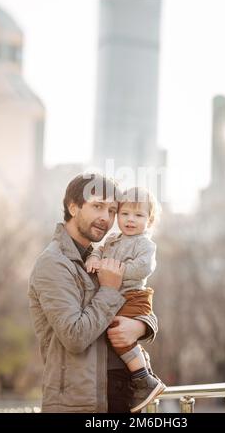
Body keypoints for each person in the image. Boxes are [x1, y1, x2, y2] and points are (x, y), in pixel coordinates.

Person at [28, 173, 158, 413]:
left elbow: (133, 297)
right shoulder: (54, 263)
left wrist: (142, 326)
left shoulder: (104, 254)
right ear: (73, 207)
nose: (105, 218)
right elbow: (74, 336)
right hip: (82, 403)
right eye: (98, 206)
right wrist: (108, 289)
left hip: (124, 396)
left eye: (111, 210)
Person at [86, 187, 165, 412]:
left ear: (148, 221)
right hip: (118, 297)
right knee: (120, 336)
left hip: (133, 296)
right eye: (125, 214)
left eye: (138, 215)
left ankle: (143, 379)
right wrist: (93, 257)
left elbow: (143, 268)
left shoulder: (145, 244)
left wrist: (115, 271)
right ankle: (144, 369)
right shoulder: (111, 240)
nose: (131, 220)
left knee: (118, 336)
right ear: (118, 215)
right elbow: (99, 253)